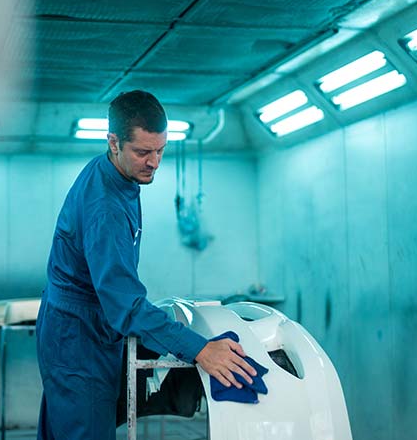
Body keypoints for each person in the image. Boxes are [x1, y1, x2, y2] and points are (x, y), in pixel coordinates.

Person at [36, 90, 256, 440]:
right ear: (114, 142)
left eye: (160, 151)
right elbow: (125, 307)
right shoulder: (105, 209)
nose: (154, 162)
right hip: (78, 338)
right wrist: (200, 349)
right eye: (143, 152)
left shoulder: (114, 173)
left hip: (81, 326)